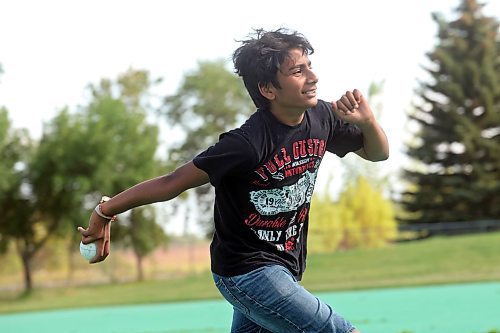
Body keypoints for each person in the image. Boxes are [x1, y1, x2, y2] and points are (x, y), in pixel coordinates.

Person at [78, 28, 389, 333]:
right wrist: (104, 212)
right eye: (298, 71)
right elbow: (171, 182)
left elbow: (377, 154)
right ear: (268, 89)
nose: (313, 76)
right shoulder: (246, 143)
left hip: (284, 268)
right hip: (246, 273)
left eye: (310, 66)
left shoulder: (322, 117)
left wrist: (368, 121)